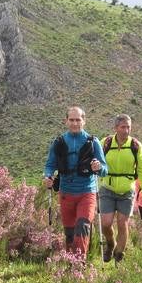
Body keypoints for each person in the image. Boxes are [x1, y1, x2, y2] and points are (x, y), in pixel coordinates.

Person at [43, 106, 106, 257]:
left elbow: (104, 169)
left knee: (82, 226)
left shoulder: (93, 142)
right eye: (71, 120)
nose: (75, 123)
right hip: (66, 192)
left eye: (78, 120)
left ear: (84, 121)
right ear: (66, 121)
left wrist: (99, 167)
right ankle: (70, 263)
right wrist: (48, 176)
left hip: (87, 192)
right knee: (70, 233)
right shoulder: (58, 142)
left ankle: (79, 264)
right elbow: (50, 164)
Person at [98, 114, 142, 263]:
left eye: (128, 127)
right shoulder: (105, 143)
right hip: (107, 188)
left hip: (127, 190)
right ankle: (110, 243)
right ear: (115, 128)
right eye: (123, 127)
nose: (126, 130)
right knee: (106, 223)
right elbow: (97, 163)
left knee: (123, 223)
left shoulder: (135, 145)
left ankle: (119, 256)